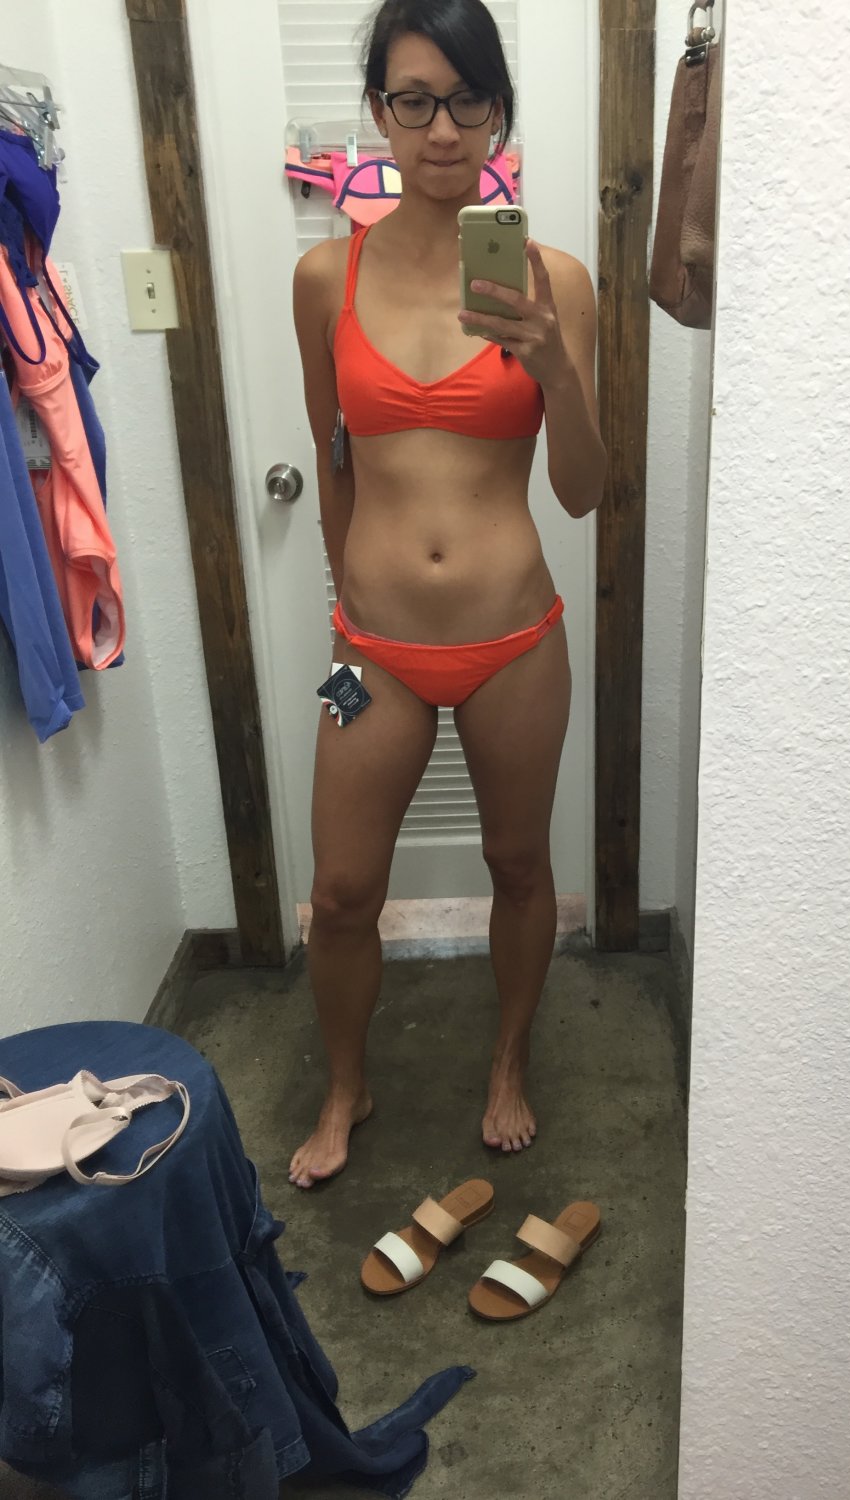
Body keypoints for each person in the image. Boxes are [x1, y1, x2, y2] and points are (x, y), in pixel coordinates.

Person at [288, 0, 606, 1189]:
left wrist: (554, 365)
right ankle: (346, 1084)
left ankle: (509, 1061)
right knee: (339, 892)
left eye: (468, 99)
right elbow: (330, 459)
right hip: (373, 649)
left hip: (512, 636)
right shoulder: (326, 278)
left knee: (519, 867)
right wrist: (344, 614)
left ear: (497, 114)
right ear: (378, 110)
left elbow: (583, 491)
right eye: (414, 99)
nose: (441, 129)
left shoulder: (553, 279)